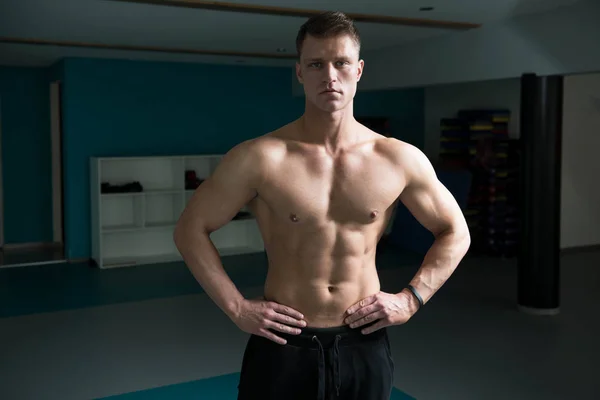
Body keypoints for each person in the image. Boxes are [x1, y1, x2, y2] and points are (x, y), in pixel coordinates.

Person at [173, 10, 470, 400]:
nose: (329, 76)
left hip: (364, 343)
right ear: (299, 72)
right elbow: (189, 230)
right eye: (316, 64)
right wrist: (237, 308)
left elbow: (455, 232)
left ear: (359, 70)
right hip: (283, 345)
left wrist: (411, 299)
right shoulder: (260, 157)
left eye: (341, 63)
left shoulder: (398, 158)